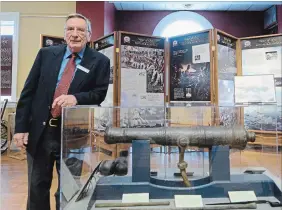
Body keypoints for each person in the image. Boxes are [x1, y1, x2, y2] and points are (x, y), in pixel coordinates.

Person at [13, 13, 110, 210]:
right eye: (70, 29)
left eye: (80, 30)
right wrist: (20, 128)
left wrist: (76, 98)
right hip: (40, 133)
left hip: (74, 135)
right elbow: (28, 92)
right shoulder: (46, 55)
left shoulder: (100, 61)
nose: (75, 34)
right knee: (37, 186)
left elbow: (99, 94)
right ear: (64, 33)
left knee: (69, 188)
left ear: (89, 35)